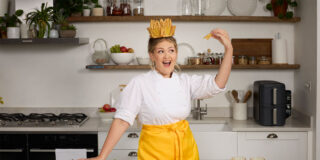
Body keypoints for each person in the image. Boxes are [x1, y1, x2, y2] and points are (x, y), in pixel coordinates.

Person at [80, 18, 233, 160]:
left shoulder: (185, 81)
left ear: (176, 53)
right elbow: (122, 121)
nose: (167, 56)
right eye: (161, 51)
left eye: (171, 50)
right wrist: (102, 157)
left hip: (186, 151)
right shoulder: (140, 83)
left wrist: (229, 49)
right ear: (152, 55)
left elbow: (217, 85)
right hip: (154, 153)